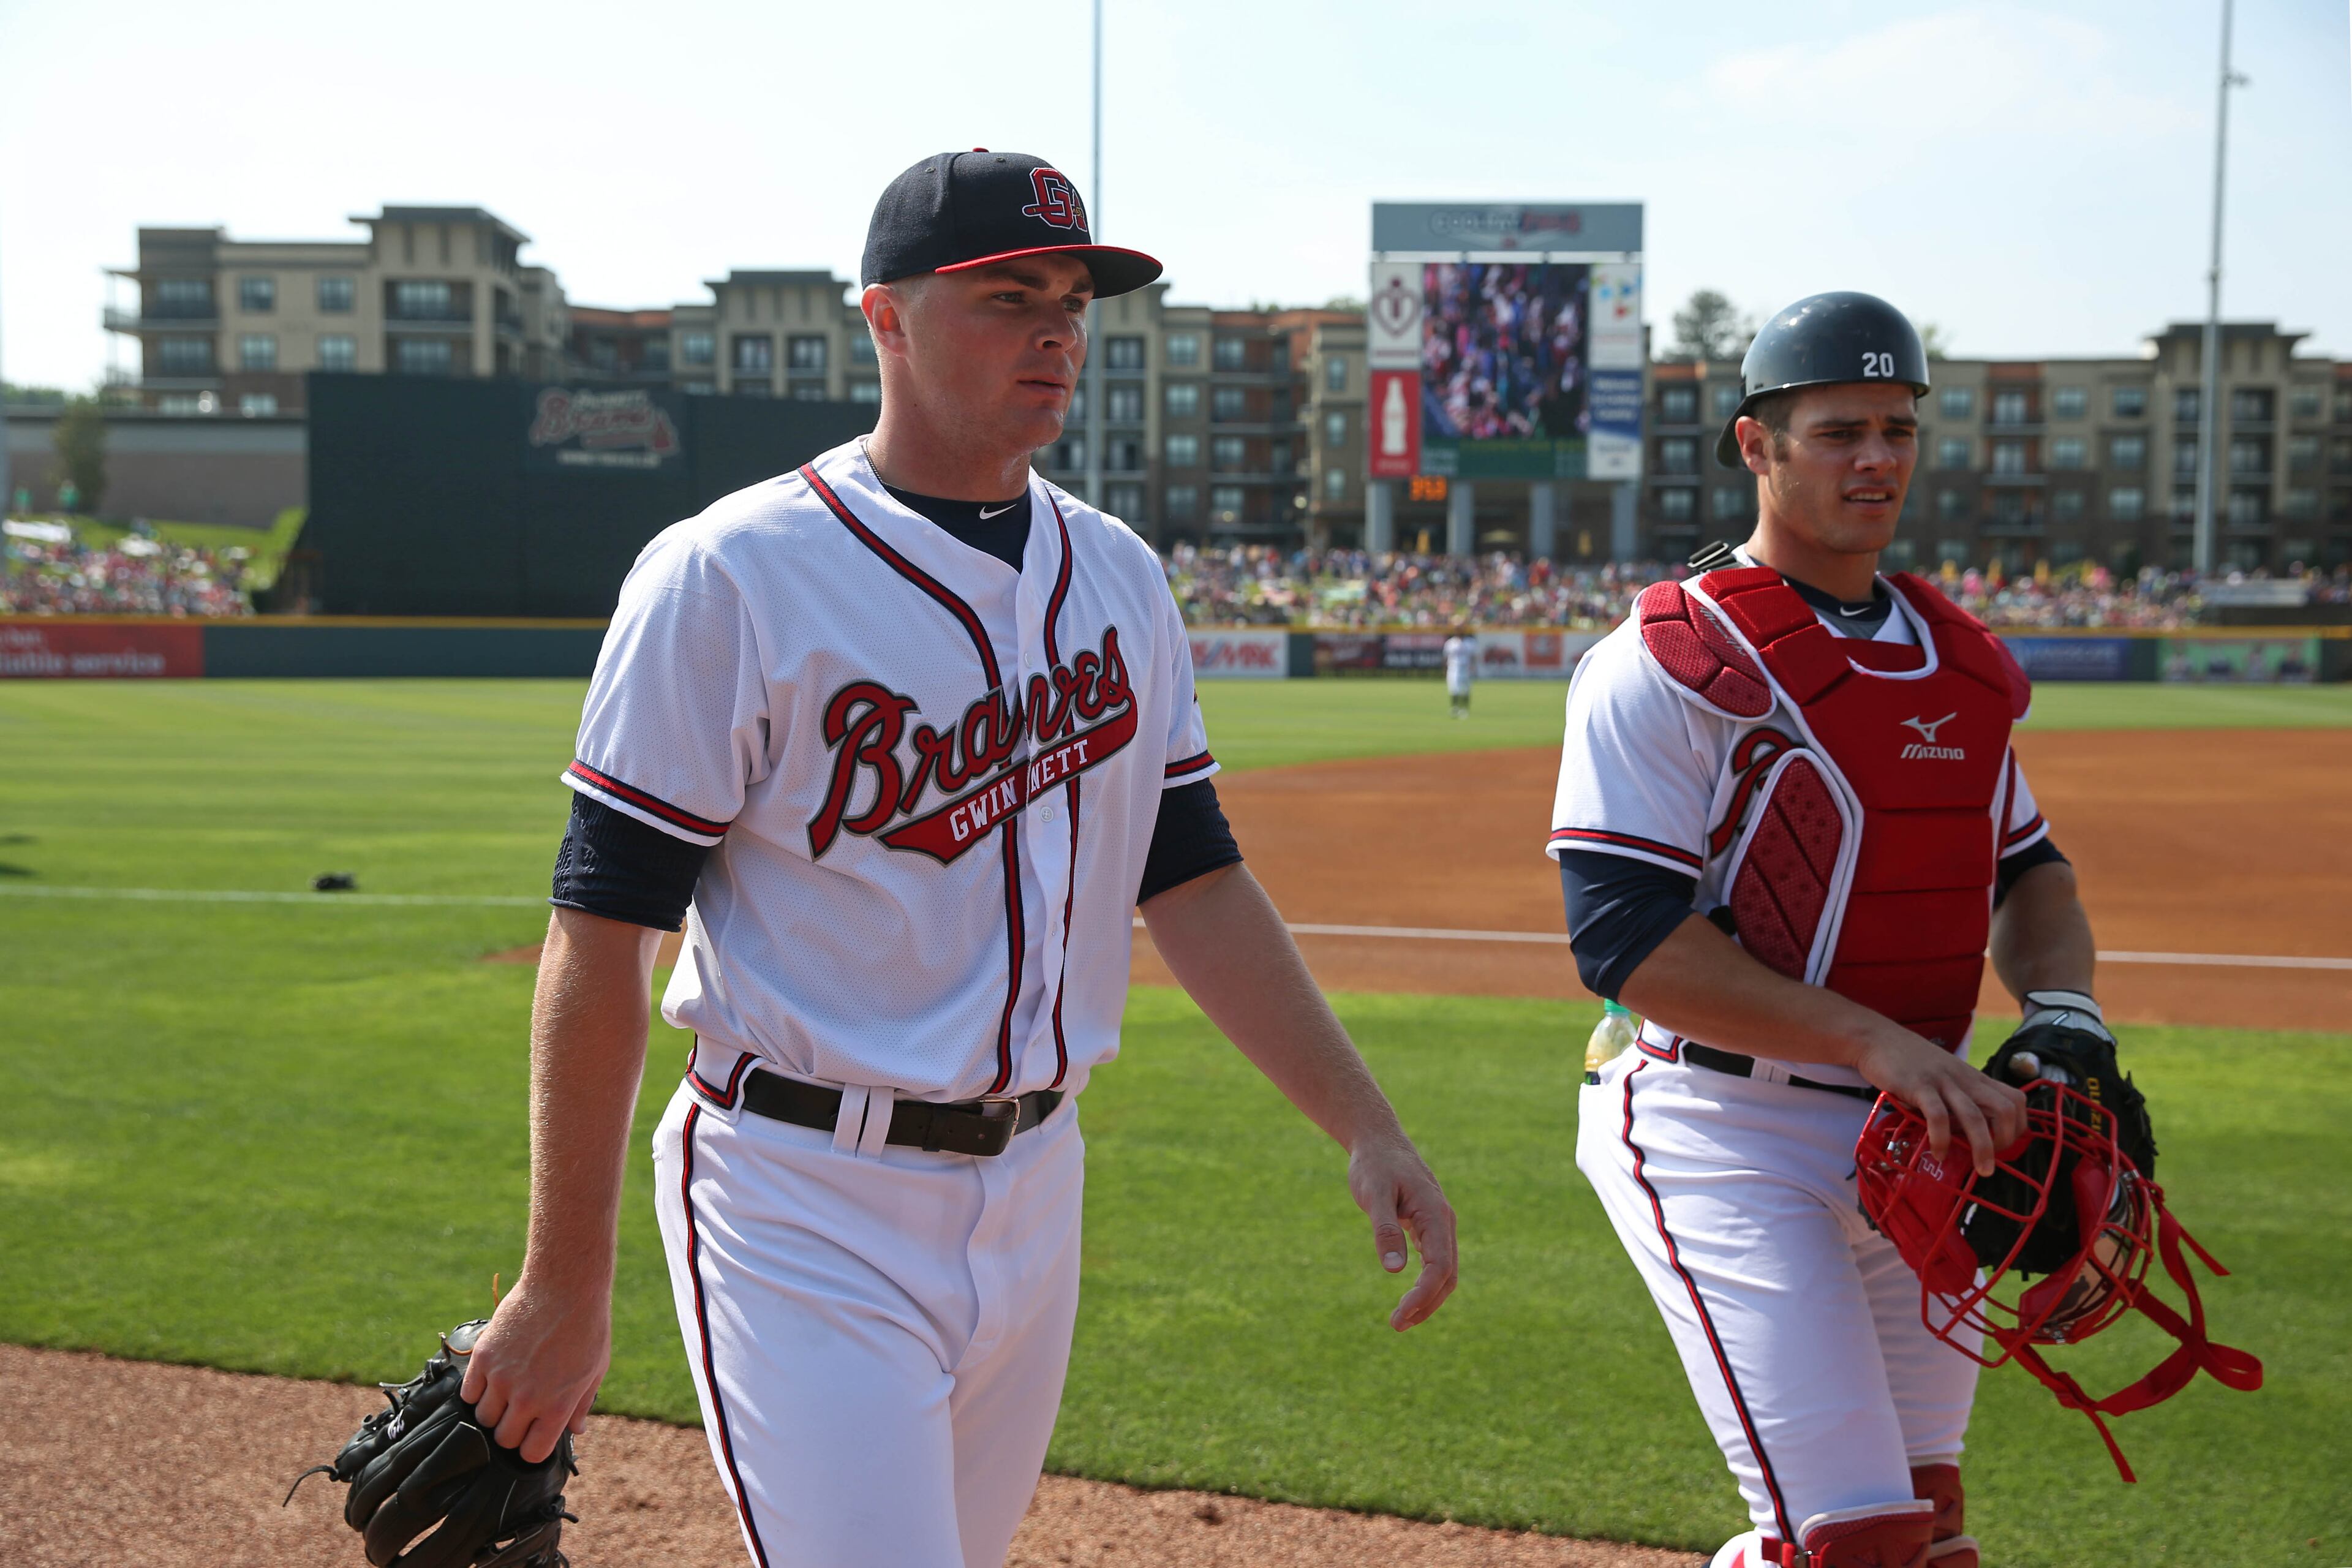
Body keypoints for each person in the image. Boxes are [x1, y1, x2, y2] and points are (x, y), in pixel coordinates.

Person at [455, 149, 1457, 1568]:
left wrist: (1365, 1119)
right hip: (803, 1191)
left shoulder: (1118, 574)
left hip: (1039, 1184)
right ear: (886, 317)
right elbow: (601, 928)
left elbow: (1192, 873)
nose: (1053, 330)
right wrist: (563, 1279)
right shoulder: (730, 572)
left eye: (1069, 299)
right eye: (1004, 296)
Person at [1550, 292, 2106, 1568]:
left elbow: (2031, 872)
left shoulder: (1954, 658)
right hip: (1724, 1127)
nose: (1877, 457)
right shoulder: (1664, 659)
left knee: (1929, 1528)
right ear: (1757, 444)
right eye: (1841, 427)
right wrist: (1876, 1042)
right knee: (1847, 1541)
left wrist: (2066, 1025)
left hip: (1924, 1132)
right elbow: (1626, 939)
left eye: (1899, 427)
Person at [1442, 629, 1476, 717]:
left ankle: (1465, 709)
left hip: (1465, 668)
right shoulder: (1450, 643)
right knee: (1454, 690)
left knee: (1466, 690)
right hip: (1453, 668)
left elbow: (1473, 656)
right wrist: (1445, 669)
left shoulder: (1470, 643)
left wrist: (1473, 666)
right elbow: (1446, 657)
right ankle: (1455, 708)